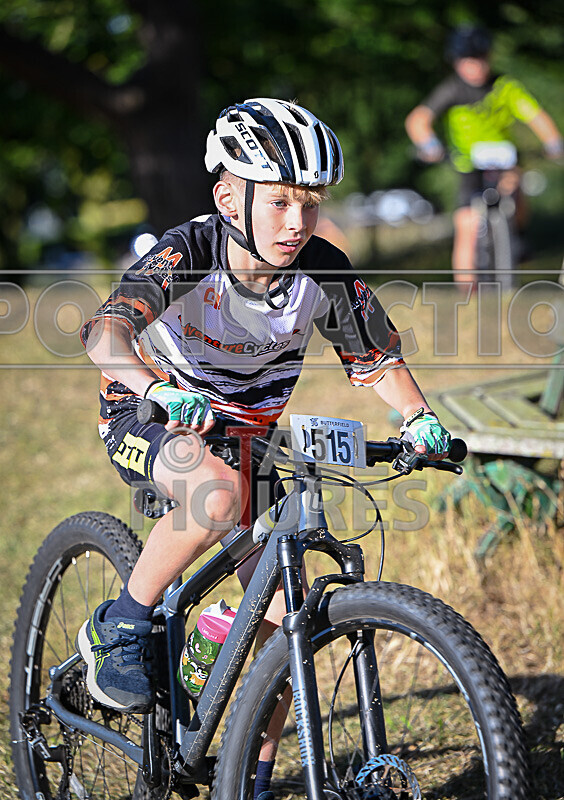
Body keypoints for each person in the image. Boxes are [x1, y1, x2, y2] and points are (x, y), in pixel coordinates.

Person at [76, 98, 452, 799]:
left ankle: (249, 778)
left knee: (289, 619)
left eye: (309, 204)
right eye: (278, 202)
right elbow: (105, 334)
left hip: (248, 436)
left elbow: (375, 358)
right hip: (148, 411)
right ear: (229, 199)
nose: (297, 222)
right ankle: (121, 626)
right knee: (215, 495)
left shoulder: (323, 269)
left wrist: (419, 417)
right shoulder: (190, 251)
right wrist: (155, 387)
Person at [405, 24, 563, 288]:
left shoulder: (505, 87)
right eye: (468, 61)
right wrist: (431, 145)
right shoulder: (452, 90)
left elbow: (536, 116)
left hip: (506, 163)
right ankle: (467, 293)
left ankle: (517, 239)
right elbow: (418, 121)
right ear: (456, 63)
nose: (474, 68)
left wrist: (554, 142)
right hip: (468, 165)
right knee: (466, 226)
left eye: (479, 60)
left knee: (517, 191)